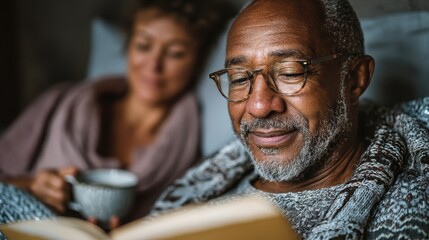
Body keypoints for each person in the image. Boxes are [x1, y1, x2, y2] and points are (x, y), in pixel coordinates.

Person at [151, 0, 429, 239]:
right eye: (239, 78)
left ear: (355, 78)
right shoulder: (212, 179)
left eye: (291, 72)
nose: (258, 106)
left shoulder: (407, 210)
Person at [0, 0, 237, 222]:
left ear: (197, 61)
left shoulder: (192, 150)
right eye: (143, 46)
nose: (153, 66)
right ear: (128, 46)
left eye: (175, 53)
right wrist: (28, 185)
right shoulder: (59, 102)